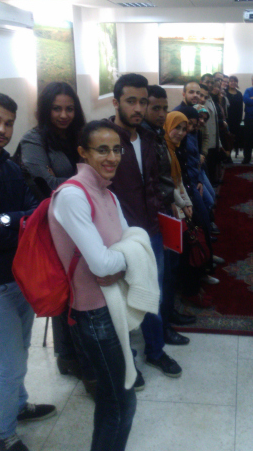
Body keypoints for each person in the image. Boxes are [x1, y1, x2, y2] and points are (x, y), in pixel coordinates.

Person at [49, 120, 142, 451]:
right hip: (93, 313)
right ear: (83, 153)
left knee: (117, 394)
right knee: (119, 399)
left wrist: (123, 256)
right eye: (102, 149)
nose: (112, 157)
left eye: (117, 149)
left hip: (113, 302)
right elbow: (104, 263)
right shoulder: (73, 196)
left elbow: (127, 240)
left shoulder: (107, 193)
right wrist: (128, 257)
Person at [0, 93, 56, 451]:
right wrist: (18, 223)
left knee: (20, 352)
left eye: (8, 122)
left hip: (20, 276)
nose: (2, 129)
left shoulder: (10, 167)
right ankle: (2, 434)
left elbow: (36, 213)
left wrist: (7, 219)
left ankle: (20, 405)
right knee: (11, 363)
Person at [107, 73, 182, 381]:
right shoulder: (105, 140)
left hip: (150, 229)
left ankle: (156, 350)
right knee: (120, 299)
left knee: (153, 292)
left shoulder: (149, 139)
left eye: (142, 102)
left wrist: (164, 214)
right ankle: (126, 361)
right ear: (116, 103)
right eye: (131, 101)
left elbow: (155, 183)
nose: (138, 108)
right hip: (118, 234)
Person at [19, 81, 91, 387]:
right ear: (45, 109)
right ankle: (68, 356)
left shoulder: (80, 135)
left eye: (69, 108)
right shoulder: (33, 139)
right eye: (56, 108)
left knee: (85, 286)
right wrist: (86, 180)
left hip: (84, 220)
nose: (63, 115)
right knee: (67, 289)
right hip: (54, 225)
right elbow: (45, 185)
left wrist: (70, 180)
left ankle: (85, 350)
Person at [142, 85, 196, 335]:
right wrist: (182, 204)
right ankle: (163, 326)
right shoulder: (151, 142)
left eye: (165, 108)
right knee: (161, 274)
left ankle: (169, 314)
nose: (162, 114)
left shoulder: (162, 142)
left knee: (172, 268)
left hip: (170, 211)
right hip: (159, 215)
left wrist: (185, 203)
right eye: (156, 108)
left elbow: (175, 180)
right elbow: (159, 182)